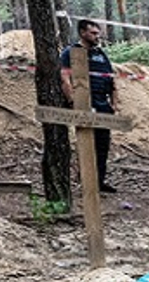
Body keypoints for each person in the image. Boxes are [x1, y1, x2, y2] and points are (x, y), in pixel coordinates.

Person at [59, 19, 117, 193]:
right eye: (93, 33)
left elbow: (111, 80)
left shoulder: (100, 54)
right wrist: (73, 101)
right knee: (86, 143)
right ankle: (87, 182)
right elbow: (64, 78)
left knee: (102, 144)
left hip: (102, 104)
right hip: (84, 102)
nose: (97, 36)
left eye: (98, 33)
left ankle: (99, 181)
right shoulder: (71, 52)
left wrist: (114, 103)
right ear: (82, 32)